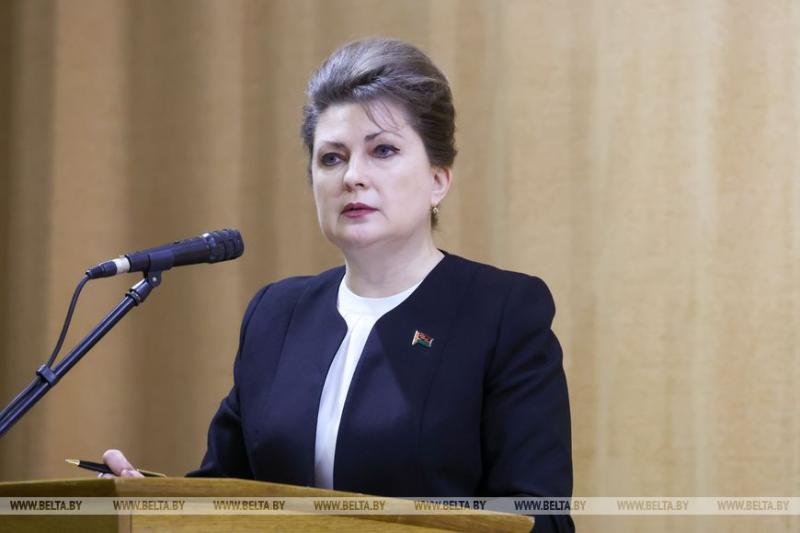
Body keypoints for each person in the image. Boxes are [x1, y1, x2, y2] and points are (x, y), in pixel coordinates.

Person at [103, 37, 574, 532]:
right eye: (332, 158)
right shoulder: (277, 314)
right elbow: (226, 492)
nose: (352, 176)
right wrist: (148, 500)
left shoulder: (501, 313)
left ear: (438, 179)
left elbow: (540, 518)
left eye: (383, 151)